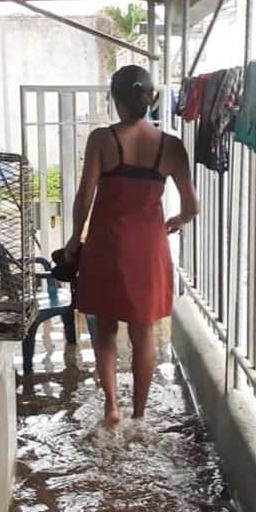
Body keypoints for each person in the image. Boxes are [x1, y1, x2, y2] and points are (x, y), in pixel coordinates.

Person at [64, 65, 199, 426]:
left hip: (107, 246)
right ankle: (140, 413)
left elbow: (84, 197)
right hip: (150, 250)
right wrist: (176, 221)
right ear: (152, 98)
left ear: (115, 100)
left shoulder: (102, 139)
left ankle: (112, 407)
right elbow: (192, 206)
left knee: (105, 328)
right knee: (144, 332)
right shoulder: (170, 146)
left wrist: (75, 239)